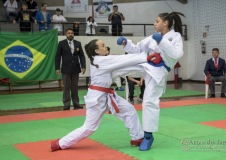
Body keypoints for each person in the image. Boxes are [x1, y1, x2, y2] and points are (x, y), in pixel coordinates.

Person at [51, 39, 160, 152]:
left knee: (129, 109)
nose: (106, 47)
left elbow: (123, 69)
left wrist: (147, 65)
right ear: (97, 51)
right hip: (97, 99)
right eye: (103, 45)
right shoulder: (101, 61)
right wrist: (146, 58)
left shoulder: (103, 61)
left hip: (107, 95)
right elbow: (122, 59)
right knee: (89, 128)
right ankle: (60, 143)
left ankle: (137, 137)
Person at [116, 12, 185, 151]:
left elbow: (176, 55)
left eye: (157, 21)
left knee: (148, 101)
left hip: (159, 72)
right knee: (119, 67)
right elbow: (137, 48)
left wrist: (162, 42)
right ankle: (101, 87)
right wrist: (126, 43)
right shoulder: (153, 38)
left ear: (165, 23)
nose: (154, 24)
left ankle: (148, 136)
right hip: (147, 65)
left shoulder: (175, 36)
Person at [55, 28, 86, 110]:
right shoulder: (61, 43)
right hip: (65, 69)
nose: (70, 34)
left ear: (73, 34)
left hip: (76, 68)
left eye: (72, 33)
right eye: (68, 33)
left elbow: (81, 56)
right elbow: (58, 56)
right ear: (66, 34)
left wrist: (83, 66)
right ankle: (66, 104)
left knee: (75, 87)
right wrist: (57, 68)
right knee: (66, 87)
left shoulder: (78, 43)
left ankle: (76, 103)